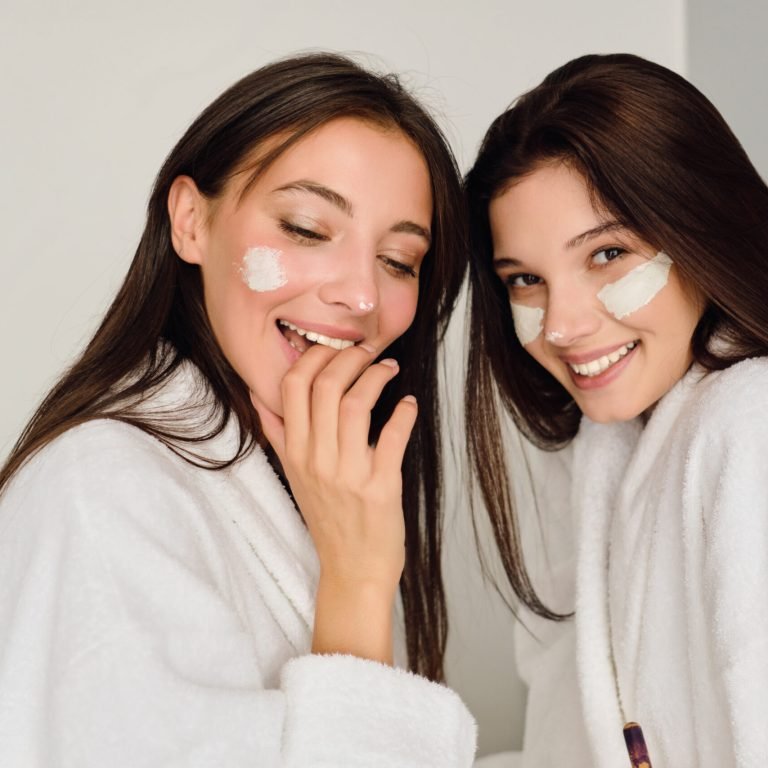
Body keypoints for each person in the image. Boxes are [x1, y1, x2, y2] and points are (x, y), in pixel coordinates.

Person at [0, 52, 477, 766]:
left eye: (400, 261)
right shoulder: (99, 492)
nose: (362, 296)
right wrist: (356, 579)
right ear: (191, 221)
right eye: (308, 229)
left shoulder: (320, 483)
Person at [464, 53, 768, 767]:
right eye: (527, 279)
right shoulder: (595, 453)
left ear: (700, 232)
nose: (563, 323)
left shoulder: (748, 428)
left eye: (607, 255)